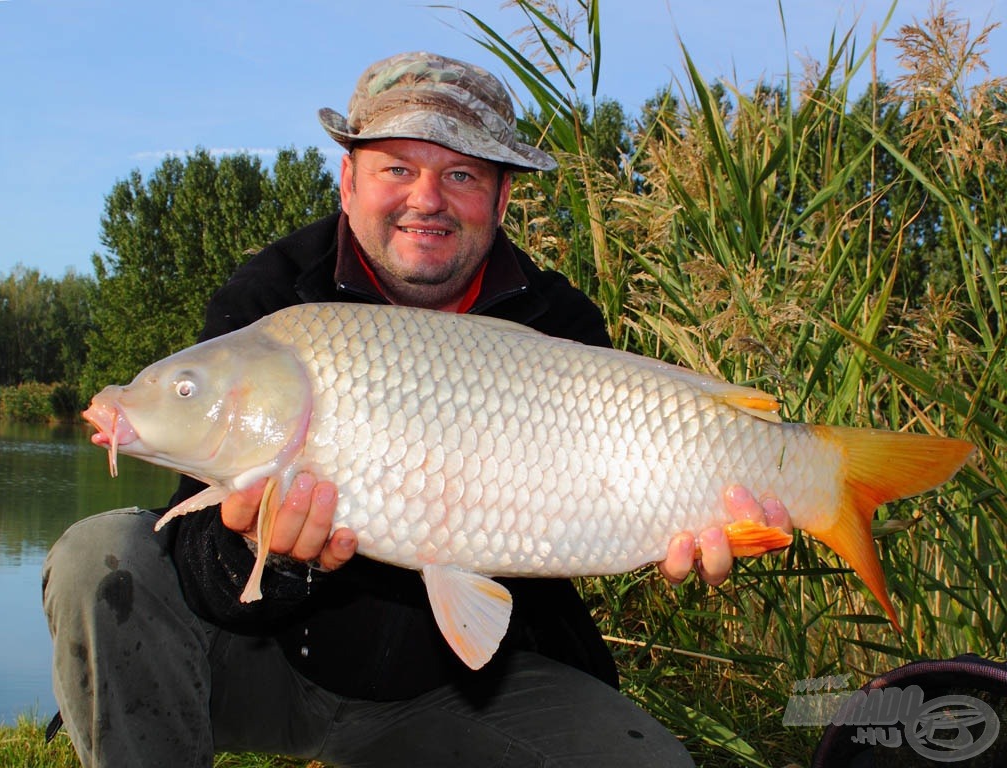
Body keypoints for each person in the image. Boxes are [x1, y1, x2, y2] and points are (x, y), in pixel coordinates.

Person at [43, 51, 792, 767]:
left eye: (460, 173)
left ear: (501, 198)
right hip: (263, 669)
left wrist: (693, 520)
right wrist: (259, 552)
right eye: (396, 168)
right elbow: (199, 569)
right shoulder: (271, 305)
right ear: (348, 180)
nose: (425, 198)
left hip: (460, 691)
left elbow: (590, 525)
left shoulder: (556, 322)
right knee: (100, 558)